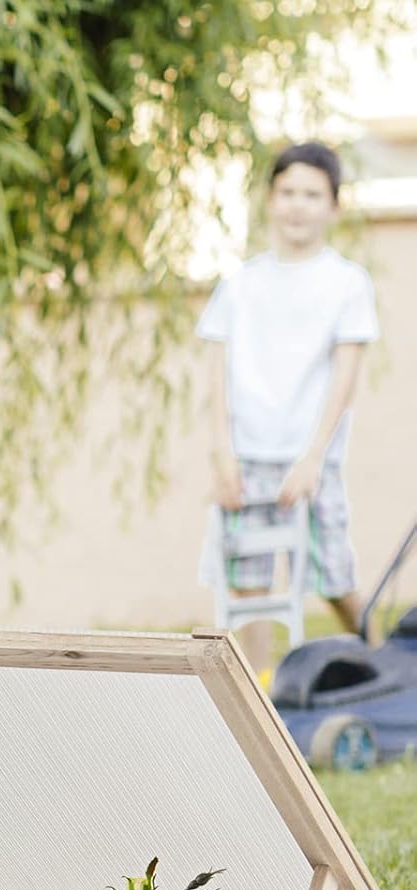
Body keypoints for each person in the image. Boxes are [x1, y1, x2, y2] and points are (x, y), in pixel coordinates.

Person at [199, 140, 379, 674]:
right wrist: (221, 456)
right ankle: (258, 696)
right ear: (270, 199)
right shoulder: (239, 284)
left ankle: (390, 666)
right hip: (247, 456)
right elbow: (215, 378)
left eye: (312, 194)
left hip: (309, 459)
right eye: (288, 192)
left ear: (334, 206)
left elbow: (344, 378)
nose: (298, 205)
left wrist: (313, 456)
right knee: (249, 586)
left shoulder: (346, 283)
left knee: (334, 577)